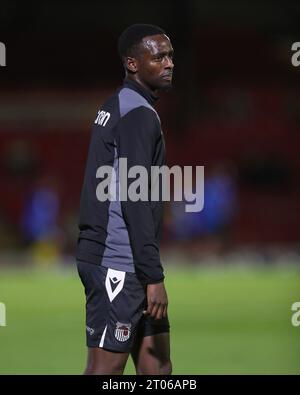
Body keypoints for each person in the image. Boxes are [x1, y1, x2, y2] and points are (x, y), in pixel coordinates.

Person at [76, 24, 174, 375]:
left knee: (157, 368)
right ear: (133, 63)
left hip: (126, 260)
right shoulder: (138, 115)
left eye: (170, 55)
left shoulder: (118, 104)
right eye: (158, 56)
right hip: (118, 260)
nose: (169, 63)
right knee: (105, 371)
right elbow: (135, 200)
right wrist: (153, 276)